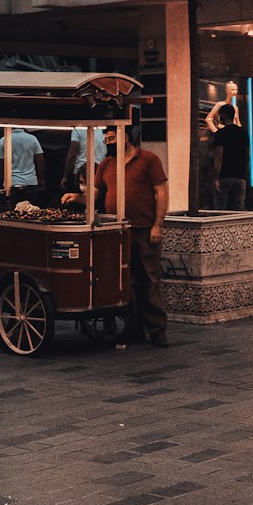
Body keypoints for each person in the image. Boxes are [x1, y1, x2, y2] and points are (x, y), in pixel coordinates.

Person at [63, 127, 169, 347]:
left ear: (125, 136)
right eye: (106, 139)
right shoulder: (106, 164)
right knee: (123, 280)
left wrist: (157, 225)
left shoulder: (148, 160)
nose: (108, 143)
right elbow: (95, 193)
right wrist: (77, 197)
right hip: (116, 231)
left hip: (142, 228)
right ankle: (134, 327)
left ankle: (157, 330)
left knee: (149, 279)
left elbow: (162, 192)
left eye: (111, 138)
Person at [210, 103, 249, 210]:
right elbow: (247, 155)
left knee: (221, 209)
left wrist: (215, 177)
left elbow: (219, 156)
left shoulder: (221, 134)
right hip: (240, 177)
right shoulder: (243, 133)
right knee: (238, 210)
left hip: (224, 176)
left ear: (223, 115)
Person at [0, 128, 44, 206]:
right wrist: (41, 179)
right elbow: (40, 160)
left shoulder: (4, 139)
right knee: (29, 211)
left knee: (12, 212)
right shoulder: (33, 139)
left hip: (11, 182)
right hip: (30, 181)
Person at [60, 126, 107, 192]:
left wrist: (65, 177)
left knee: (78, 198)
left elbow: (72, 154)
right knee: (95, 197)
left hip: (80, 172)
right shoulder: (103, 129)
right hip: (98, 171)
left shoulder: (78, 130)